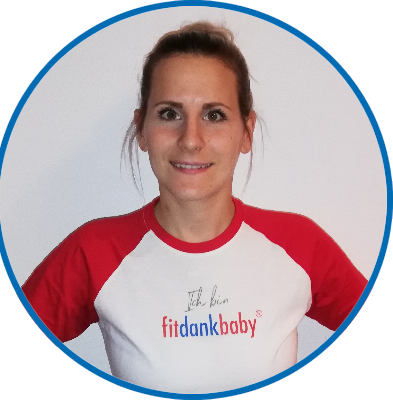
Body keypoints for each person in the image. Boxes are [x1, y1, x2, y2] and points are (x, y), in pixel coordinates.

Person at [22, 21, 367, 394]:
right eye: (169, 113)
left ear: (246, 131)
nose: (190, 140)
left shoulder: (300, 244)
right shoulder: (94, 251)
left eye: (214, 115)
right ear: (141, 129)